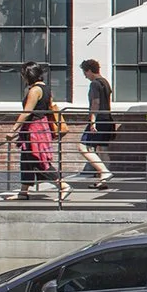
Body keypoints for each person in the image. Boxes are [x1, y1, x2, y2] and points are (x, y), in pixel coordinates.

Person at [12, 61, 68, 202]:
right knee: (26, 160)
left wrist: (12, 130)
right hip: (39, 127)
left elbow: (27, 112)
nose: (22, 77)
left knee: (38, 160)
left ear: (28, 74)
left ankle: (63, 185)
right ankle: (23, 193)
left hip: (34, 129)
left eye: (23, 74)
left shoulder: (35, 90)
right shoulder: (46, 88)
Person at [74, 58, 116, 186]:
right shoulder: (106, 82)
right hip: (107, 119)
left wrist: (92, 121)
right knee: (101, 149)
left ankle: (104, 171)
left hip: (99, 119)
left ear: (90, 71)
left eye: (85, 73)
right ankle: (103, 181)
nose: (85, 77)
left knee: (83, 146)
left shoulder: (95, 84)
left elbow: (95, 102)